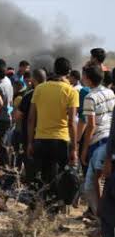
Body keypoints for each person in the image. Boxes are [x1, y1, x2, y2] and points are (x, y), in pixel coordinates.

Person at [27, 57, 79, 205]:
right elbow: (71, 122)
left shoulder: (40, 88)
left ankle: (38, 208)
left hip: (40, 139)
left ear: (54, 70)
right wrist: (74, 148)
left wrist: (30, 142)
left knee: (41, 177)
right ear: (68, 72)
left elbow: (31, 118)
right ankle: (54, 210)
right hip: (61, 141)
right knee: (59, 177)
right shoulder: (71, 91)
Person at [80, 65, 115, 217]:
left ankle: (101, 218)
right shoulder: (110, 92)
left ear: (88, 79)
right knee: (100, 181)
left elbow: (91, 125)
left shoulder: (90, 97)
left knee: (93, 185)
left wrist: (84, 149)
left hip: (99, 142)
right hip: (110, 140)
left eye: (83, 76)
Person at [0, 59, 14, 167]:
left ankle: (6, 163)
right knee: (2, 140)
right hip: (8, 114)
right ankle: (4, 163)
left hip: (1, 116)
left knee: (0, 142)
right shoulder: (8, 81)